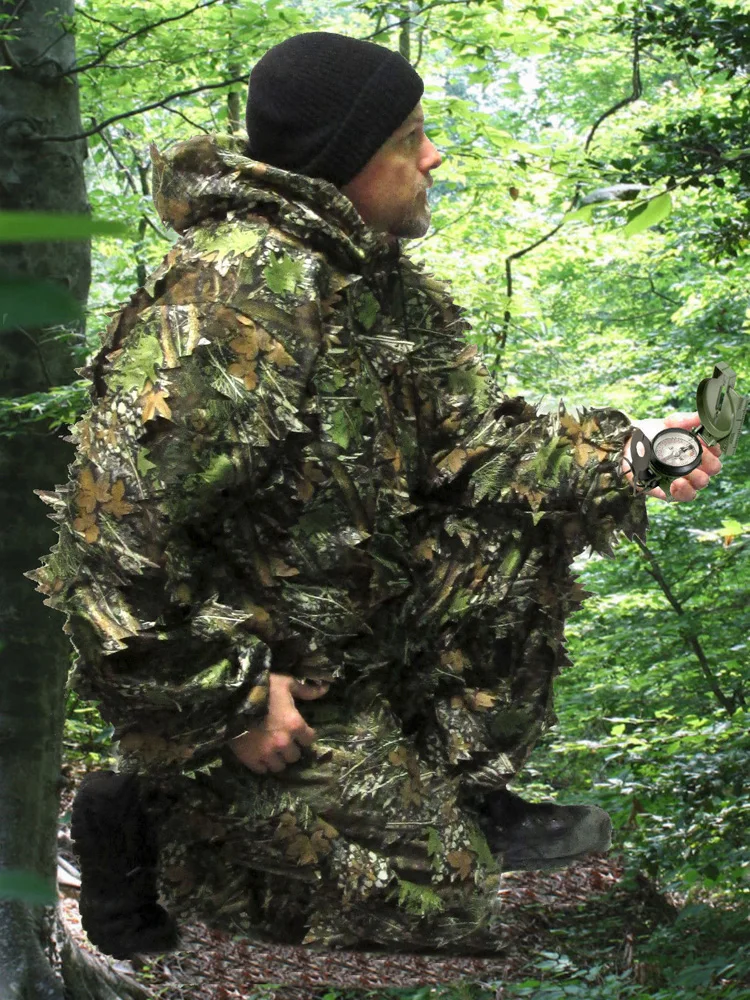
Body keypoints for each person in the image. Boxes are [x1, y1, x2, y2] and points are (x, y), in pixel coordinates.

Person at [32, 32, 721, 958]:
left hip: (349, 632)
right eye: (409, 138)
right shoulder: (232, 301)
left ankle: (450, 782)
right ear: (344, 159)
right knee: (446, 901)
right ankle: (157, 815)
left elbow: (475, 448)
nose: (432, 157)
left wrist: (630, 455)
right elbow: (108, 546)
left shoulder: (379, 287)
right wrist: (229, 706)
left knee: (518, 535)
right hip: (250, 660)